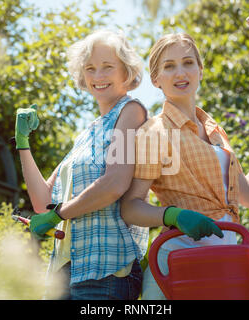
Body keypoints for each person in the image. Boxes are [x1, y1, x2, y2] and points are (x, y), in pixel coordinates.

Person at [120, 33, 249, 299]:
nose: (180, 72)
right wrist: (174, 216)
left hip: (224, 260)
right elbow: (130, 207)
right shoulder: (155, 132)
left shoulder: (215, 130)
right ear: (156, 79)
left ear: (200, 70)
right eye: (169, 66)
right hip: (176, 264)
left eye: (188, 62)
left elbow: (248, 195)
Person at [14, 29, 149, 300]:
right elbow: (43, 203)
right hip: (64, 272)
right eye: (90, 68)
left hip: (107, 270)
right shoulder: (87, 133)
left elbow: (115, 183)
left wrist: (58, 215)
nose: (97, 76)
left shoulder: (131, 112)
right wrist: (22, 142)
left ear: (127, 72)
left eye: (107, 67)